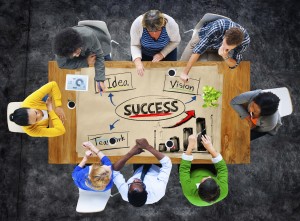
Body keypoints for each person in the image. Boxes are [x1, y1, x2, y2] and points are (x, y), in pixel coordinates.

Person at [180, 17, 250, 82]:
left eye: (228, 48)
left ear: (238, 45)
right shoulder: (218, 27)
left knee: (216, 74)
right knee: (182, 64)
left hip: (217, 48)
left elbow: (234, 64)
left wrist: (225, 56)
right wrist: (185, 73)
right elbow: (198, 50)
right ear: (225, 34)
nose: (225, 48)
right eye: (224, 44)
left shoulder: (245, 42)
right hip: (202, 37)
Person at [112, 138, 172, 207]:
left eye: (132, 183)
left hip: (139, 167)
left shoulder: (125, 193)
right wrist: (148, 147)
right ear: (146, 192)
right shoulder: (158, 191)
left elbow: (114, 171)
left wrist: (131, 153)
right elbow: (167, 164)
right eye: (140, 184)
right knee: (161, 142)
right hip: (157, 164)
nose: (135, 180)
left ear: (128, 191)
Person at [53, 24, 111, 92]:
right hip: (83, 47)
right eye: (72, 55)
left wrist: (100, 80)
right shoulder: (60, 50)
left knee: (106, 64)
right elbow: (61, 64)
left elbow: (100, 56)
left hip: (99, 42)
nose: (76, 56)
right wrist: (86, 62)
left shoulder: (88, 36)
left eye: (76, 52)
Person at [179, 134, 228, 206]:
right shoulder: (223, 191)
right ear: (218, 187)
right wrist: (211, 148)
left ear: (198, 188)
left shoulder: (189, 192)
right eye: (211, 179)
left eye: (204, 180)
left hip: (191, 172)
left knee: (181, 156)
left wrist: (190, 146)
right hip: (210, 170)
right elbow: (222, 169)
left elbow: (183, 170)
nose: (208, 177)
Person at [130, 10, 181, 76]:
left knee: (169, 76)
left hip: (167, 51)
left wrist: (162, 54)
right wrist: (137, 61)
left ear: (163, 24)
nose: (154, 33)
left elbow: (175, 41)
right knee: (138, 75)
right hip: (144, 52)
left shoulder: (171, 23)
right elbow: (135, 45)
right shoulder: (137, 24)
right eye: (150, 30)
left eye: (157, 30)